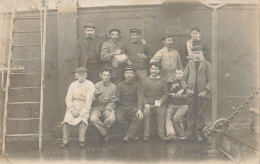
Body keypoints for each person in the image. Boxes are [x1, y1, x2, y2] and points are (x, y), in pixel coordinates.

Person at [181, 45, 212, 142]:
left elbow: (211, 80)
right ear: (192, 54)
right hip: (191, 93)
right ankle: (189, 134)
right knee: (190, 113)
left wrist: (205, 91)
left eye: (198, 52)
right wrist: (186, 89)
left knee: (200, 114)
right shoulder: (190, 64)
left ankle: (198, 133)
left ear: (202, 53)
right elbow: (183, 78)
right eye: (194, 53)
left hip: (202, 94)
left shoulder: (207, 64)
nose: (196, 55)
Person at [61, 67, 95, 148]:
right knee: (66, 120)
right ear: (76, 76)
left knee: (83, 119)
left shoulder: (90, 84)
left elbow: (88, 101)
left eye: (83, 75)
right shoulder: (73, 84)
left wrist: (82, 112)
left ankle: (81, 140)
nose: (81, 76)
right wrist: (72, 110)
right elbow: (68, 99)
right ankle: (65, 141)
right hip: (73, 106)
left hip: (84, 106)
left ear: (86, 75)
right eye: (79, 75)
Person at [114, 66, 144, 143]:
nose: (129, 75)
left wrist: (140, 109)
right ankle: (133, 134)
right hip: (121, 107)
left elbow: (140, 98)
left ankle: (128, 136)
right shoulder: (120, 85)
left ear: (134, 75)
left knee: (138, 117)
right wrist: (116, 99)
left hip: (133, 106)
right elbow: (118, 98)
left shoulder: (137, 84)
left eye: (131, 73)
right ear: (124, 75)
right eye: (127, 73)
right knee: (119, 118)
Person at [142, 62, 168, 141]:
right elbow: (141, 95)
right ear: (150, 70)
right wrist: (146, 103)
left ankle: (161, 134)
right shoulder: (145, 80)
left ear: (159, 70)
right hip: (148, 104)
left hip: (158, 103)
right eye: (153, 69)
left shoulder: (163, 81)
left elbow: (165, 94)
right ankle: (146, 134)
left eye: (156, 69)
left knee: (162, 112)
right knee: (146, 113)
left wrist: (161, 100)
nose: (154, 71)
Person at [90, 68, 117, 142]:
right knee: (93, 118)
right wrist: (96, 96)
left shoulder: (113, 86)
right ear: (101, 75)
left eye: (108, 75)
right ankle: (104, 133)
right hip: (97, 106)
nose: (106, 77)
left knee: (111, 118)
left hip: (107, 107)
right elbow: (92, 100)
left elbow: (114, 101)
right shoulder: (96, 85)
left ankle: (100, 131)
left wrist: (109, 108)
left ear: (110, 76)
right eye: (104, 75)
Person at [165, 66, 189, 141]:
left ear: (183, 74)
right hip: (173, 104)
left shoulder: (186, 82)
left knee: (176, 118)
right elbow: (169, 92)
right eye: (177, 73)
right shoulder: (173, 82)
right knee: (167, 116)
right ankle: (171, 133)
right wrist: (171, 93)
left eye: (180, 73)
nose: (178, 75)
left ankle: (181, 134)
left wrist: (181, 94)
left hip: (183, 105)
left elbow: (187, 95)